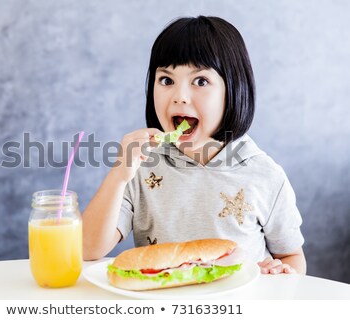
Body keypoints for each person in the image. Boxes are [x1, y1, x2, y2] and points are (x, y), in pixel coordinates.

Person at [83, 15, 306, 275]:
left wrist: (280, 275)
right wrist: (119, 175)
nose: (179, 96)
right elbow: (88, 249)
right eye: (166, 80)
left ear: (233, 90)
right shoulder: (142, 164)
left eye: (200, 81)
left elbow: (291, 255)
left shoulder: (265, 175)